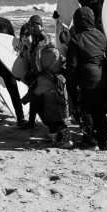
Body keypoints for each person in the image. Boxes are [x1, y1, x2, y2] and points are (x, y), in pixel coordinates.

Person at [64, 7, 107, 149]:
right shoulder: (101, 36)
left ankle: (90, 140)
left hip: (86, 79)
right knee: (100, 111)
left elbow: (72, 65)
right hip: (102, 78)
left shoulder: (76, 39)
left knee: (86, 111)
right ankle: (104, 140)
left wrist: (70, 83)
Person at [21, 16, 70, 145]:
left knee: (55, 115)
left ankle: (64, 139)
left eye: (27, 34)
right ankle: (55, 136)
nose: (24, 37)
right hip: (41, 82)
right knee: (46, 114)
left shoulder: (45, 45)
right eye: (22, 35)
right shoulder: (32, 46)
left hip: (50, 84)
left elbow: (50, 63)